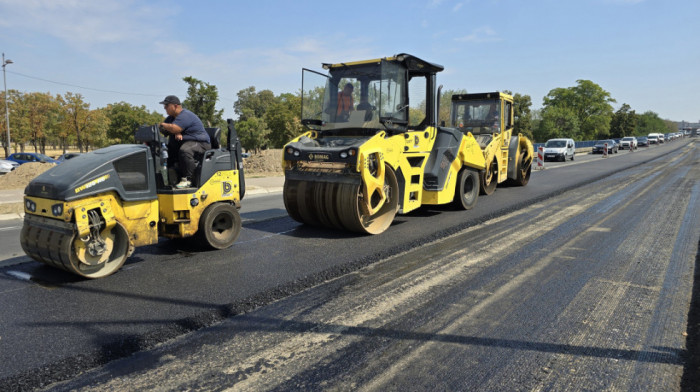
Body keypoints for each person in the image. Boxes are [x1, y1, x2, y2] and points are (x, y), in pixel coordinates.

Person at [159, 95, 211, 188]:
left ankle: (188, 179)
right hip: (187, 142)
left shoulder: (185, 115)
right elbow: (164, 130)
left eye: (167, 105)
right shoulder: (171, 118)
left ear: (175, 106)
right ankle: (173, 175)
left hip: (201, 143)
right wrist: (173, 130)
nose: (164, 108)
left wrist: (167, 126)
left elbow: (173, 128)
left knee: (185, 150)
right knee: (168, 149)